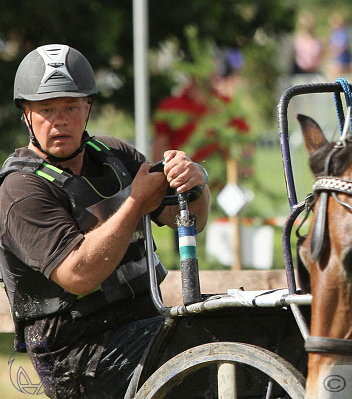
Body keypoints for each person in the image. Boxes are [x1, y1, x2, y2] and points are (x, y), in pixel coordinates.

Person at [0, 44, 211, 398]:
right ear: (27, 115)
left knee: (249, 325)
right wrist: (134, 203)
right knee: (209, 347)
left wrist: (195, 183)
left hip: (146, 325)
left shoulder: (116, 157)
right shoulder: (21, 189)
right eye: (47, 109)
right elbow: (78, 275)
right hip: (79, 356)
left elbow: (187, 219)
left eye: (70, 106)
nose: (60, 120)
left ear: (88, 107)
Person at [290, 11, 324, 76]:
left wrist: (314, 65)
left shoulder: (317, 40)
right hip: (299, 71)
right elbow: (294, 55)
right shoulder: (297, 40)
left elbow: (321, 55)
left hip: (314, 71)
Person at [327, 11, 352, 76]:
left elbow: (343, 46)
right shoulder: (333, 33)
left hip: (343, 59)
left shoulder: (344, 32)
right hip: (337, 59)